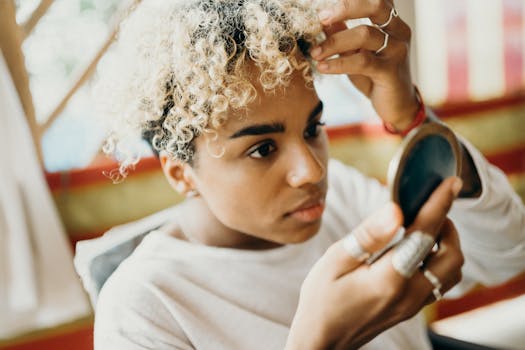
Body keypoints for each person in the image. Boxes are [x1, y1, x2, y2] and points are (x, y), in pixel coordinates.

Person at [92, 0, 525, 349]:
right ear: (181, 174)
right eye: (262, 149)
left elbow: (506, 255)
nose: (313, 170)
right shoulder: (144, 309)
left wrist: (412, 120)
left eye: (313, 128)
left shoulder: (342, 200)